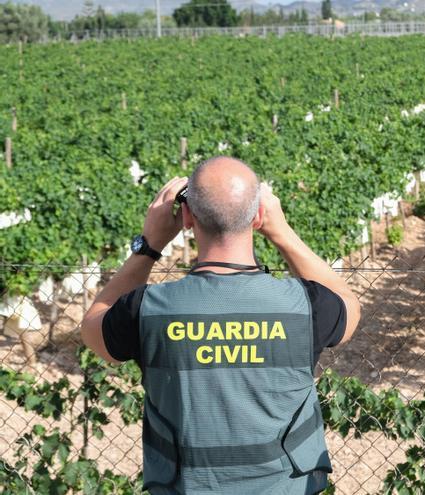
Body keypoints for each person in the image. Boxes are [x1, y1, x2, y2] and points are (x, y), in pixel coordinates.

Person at [81, 156, 361, 494]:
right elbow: (349, 306)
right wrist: (282, 233)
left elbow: (93, 324)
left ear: (186, 217)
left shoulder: (146, 309)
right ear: (259, 216)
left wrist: (148, 246)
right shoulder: (305, 306)